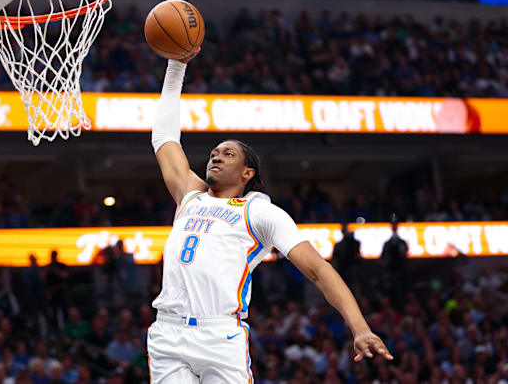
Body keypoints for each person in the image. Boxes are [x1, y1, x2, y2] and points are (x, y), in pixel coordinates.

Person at [147, 50, 392, 383]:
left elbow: (319, 270)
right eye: (214, 153)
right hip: (168, 333)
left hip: (219, 336)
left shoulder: (259, 212)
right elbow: (164, 137)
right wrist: (176, 66)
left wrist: (360, 328)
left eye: (228, 154)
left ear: (248, 172)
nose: (216, 157)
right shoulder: (189, 194)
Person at [380, 220, 409, 305]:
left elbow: (405, 254)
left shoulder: (402, 242)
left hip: (401, 273)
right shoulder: (387, 244)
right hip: (390, 272)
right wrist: (385, 263)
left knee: (401, 293)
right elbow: (383, 257)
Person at [333, 223, 363, 294]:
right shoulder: (338, 245)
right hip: (341, 270)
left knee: (353, 289)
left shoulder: (354, 242)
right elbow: (335, 258)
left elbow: (357, 255)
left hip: (352, 269)